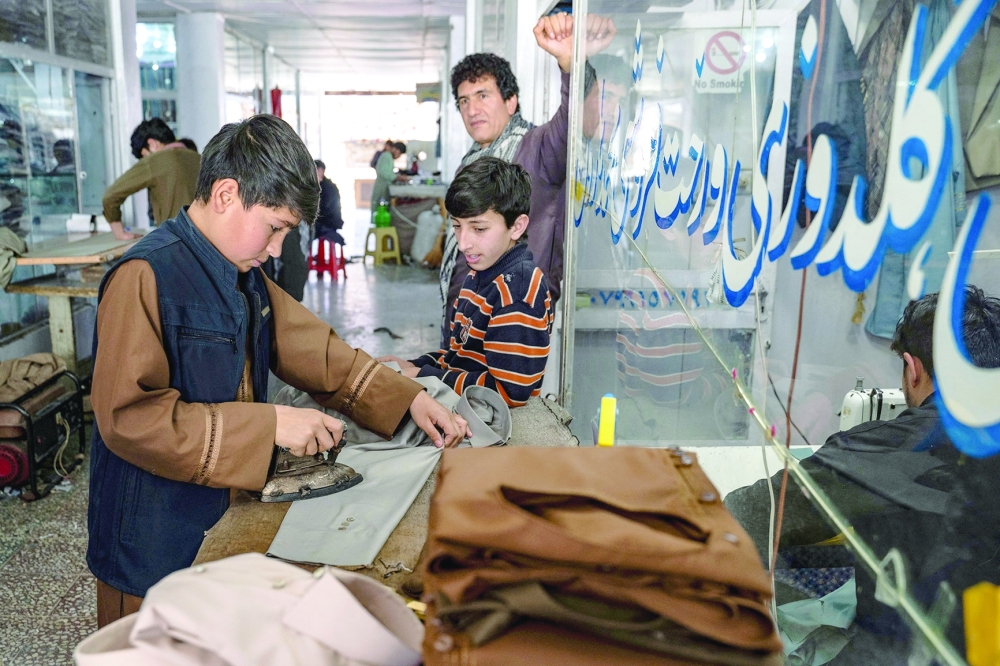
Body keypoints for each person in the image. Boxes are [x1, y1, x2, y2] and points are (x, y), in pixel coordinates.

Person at [87, 115, 469, 627]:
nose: (275, 249)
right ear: (225, 194)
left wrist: (407, 398)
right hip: (150, 534)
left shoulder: (239, 271)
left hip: (216, 512)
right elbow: (129, 420)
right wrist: (270, 426)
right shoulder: (145, 276)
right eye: (275, 228)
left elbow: (312, 349)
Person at [438, 12, 617, 344]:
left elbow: (575, 124)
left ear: (510, 101)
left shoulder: (536, 148)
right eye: (464, 100)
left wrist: (571, 62)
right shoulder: (473, 161)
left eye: (483, 95)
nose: (472, 109)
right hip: (466, 314)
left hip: (509, 318)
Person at [379, 158, 552, 407]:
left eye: (479, 229)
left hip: (494, 421)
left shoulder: (517, 291)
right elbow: (460, 355)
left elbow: (510, 393)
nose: (463, 243)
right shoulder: (481, 271)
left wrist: (422, 376)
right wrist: (417, 365)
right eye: (457, 227)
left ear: (516, 227)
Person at [101, 118, 200, 240]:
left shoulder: (155, 161)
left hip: (175, 245)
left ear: (152, 144)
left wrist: (120, 233)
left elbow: (110, 196)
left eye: (144, 156)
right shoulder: (201, 159)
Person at [314, 159, 345, 246]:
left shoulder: (327, 187)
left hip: (328, 222)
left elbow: (324, 208)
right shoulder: (328, 185)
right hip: (331, 221)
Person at [372, 141, 406, 217]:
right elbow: (383, 171)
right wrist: (397, 177)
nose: (398, 156)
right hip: (381, 186)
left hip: (384, 185)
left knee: (383, 210)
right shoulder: (387, 156)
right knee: (380, 210)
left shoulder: (388, 157)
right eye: (399, 153)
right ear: (394, 149)